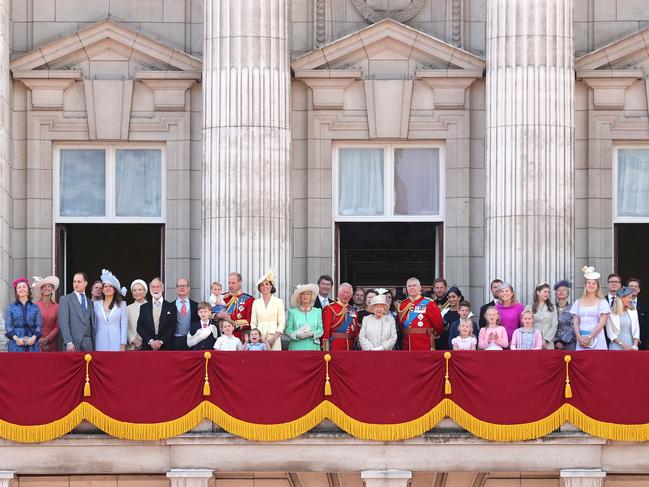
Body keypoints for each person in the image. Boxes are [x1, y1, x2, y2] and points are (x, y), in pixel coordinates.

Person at [397, 277, 443, 350]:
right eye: (409, 286)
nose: (412, 288)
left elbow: (438, 324)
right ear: (406, 289)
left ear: (419, 288)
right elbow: (400, 325)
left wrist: (435, 334)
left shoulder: (429, 303)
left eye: (414, 285)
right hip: (407, 344)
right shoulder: (402, 305)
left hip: (424, 344)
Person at [571, 266, 610, 350]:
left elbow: (602, 323)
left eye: (594, 283)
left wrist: (590, 337)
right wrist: (579, 337)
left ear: (597, 286)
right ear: (585, 285)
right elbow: (576, 322)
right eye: (589, 283)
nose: (591, 285)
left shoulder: (602, 302)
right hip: (581, 339)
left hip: (597, 338)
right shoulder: (578, 302)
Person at [59, 272, 95, 352]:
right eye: (74, 281)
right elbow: (63, 322)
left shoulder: (90, 302)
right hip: (73, 344)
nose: (76, 284)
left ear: (85, 283)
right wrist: (68, 342)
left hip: (88, 343)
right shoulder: (65, 299)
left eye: (79, 282)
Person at [93, 269, 128, 352]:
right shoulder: (95, 305)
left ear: (115, 289)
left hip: (116, 342)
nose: (108, 288)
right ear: (102, 290)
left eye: (110, 286)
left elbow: (124, 325)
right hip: (99, 341)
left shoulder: (122, 304)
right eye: (105, 286)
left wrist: (123, 344)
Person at [137, 278, 177, 351]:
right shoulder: (144, 307)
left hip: (166, 347)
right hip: (148, 347)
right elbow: (139, 327)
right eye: (153, 287)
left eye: (158, 286)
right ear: (150, 289)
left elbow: (173, 327)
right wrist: (151, 341)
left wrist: (161, 341)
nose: (155, 289)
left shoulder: (171, 307)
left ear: (162, 289)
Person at [250, 269, 285, 350]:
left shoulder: (278, 302)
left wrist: (273, 339)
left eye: (267, 284)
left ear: (271, 286)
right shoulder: (256, 302)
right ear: (259, 288)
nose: (264, 286)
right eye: (261, 285)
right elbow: (253, 323)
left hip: (274, 337)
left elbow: (282, 322)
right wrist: (256, 337)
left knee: (275, 360)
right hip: (259, 339)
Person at [5, 277, 41, 352]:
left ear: (28, 291)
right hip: (15, 344)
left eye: (24, 287)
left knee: (33, 363)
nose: (22, 289)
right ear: (16, 292)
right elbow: (8, 326)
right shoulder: (10, 307)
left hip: (33, 343)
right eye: (19, 287)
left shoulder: (35, 307)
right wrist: (17, 339)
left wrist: (33, 339)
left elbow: (39, 325)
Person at [286, 283, 323, 351]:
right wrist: (296, 335)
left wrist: (312, 334)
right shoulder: (292, 312)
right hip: (296, 347)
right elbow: (288, 331)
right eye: (303, 294)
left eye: (308, 294)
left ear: (311, 296)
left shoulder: (317, 311)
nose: (305, 296)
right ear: (299, 297)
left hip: (313, 347)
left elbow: (320, 330)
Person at [322, 283, 358, 350]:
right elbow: (326, 331)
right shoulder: (329, 308)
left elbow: (355, 332)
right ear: (338, 293)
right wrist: (325, 349)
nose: (346, 295)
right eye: (344, 292)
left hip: (350, 346)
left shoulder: (353, 310)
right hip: (334, 345)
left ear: (351, 296)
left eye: (348, 293)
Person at [31, 275, 60, 352]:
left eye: (49, 286)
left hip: (52, 341)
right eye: (44, 286)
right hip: (37, 341)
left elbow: (57, 326)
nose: (46, 288)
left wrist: (48, 339)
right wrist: (38, 339)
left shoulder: (57, 307)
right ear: (41, 289)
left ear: (52, 289)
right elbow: (31, 324)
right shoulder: (35, 306)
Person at [224, 272, 254, 340]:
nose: (230, 285)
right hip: (223, 337)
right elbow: (212, 314)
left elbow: (250, 320)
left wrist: (233, 324)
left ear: (240, 282)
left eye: (233, 283)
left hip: (239, 337)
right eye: (229, 283)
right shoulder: (222, 297)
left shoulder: (249, 299)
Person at [528, 283, 558, 349]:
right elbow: (526, 324)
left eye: (548, 292)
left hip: (548, 344)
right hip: (533, 342)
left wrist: (546, 340)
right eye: (545, 291)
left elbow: (554, 325)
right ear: (538, 292)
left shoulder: (552, 308)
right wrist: (537, 340)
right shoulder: (529, 307)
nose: (547, 294)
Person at [627, 277, 649, 350]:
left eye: (636, 286)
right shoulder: (621, 305)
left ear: (639, 290)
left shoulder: (646, 306)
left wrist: (639, 340)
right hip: (624, 342)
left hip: (641, 343)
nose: (633, 288)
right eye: (631, 286)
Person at [554, 279, 576, 350]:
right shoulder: (551, 309)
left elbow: (574, 326)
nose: (561, 291)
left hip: (569, 344)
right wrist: (556, 341)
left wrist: (563, 342)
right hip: (553, 344)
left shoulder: (573, 308)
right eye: (558, 290)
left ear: (568, 294)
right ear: (556, 293)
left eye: (564, 290)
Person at [126, 279, 147, 350]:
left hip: (149, 345)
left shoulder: (152, 306)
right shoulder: (127, 308)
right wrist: (133, 340)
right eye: (134, 290)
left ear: (145, 292)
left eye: (140, 290)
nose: (137, 292)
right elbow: (126, 327)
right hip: (133, 347)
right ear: (132, 294)